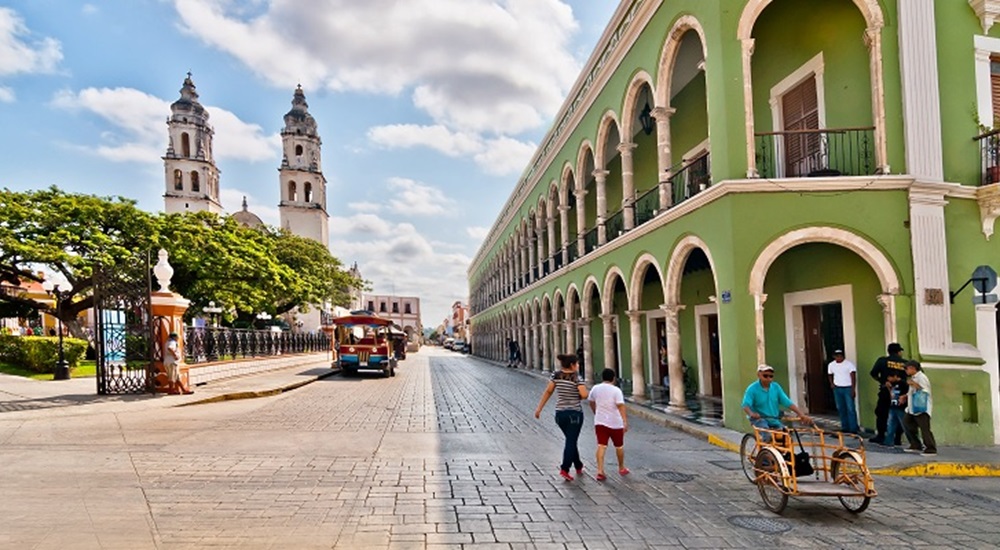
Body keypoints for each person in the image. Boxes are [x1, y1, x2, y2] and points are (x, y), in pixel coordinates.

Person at [534, 353, 589, 481]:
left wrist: (539, 408)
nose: (578, 365)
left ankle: (578, 465)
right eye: (577, 363)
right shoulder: (576, 377)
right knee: (571, 441)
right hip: (574, 414)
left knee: (571, 440)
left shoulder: (556, 375)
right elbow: (584, 394)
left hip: (560, 414)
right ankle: (565, 468)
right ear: (572, 365)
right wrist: (580, 394)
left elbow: (548, 391)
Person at [742, 364, 811, 440]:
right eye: (765, 376)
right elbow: (745, 405)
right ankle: (764, 451)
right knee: (767, 436)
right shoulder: (752, 389)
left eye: (771, 376)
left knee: (786, 437)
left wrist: (801, 414)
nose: (769, 379)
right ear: (759, 375)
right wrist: (752, 414)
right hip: (759, 419)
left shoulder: (776, 387)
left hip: (773, 418)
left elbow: (787, 402)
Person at [589, 368, 629, 481]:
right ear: (613, 378)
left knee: (601, 445)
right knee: (619, 446)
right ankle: (621, 467)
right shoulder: (616, 390)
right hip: (615, 422)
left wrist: (595, 412)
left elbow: (591, 402)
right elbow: (621, 406)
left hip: (600, 421)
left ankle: (600, 471)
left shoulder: (595, 388)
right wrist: (625, 421)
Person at [869, 342, 907, 444]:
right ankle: (897, 438)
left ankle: (881, 435)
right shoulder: (905, 363)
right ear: (899, 352)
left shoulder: (882, 361)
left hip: (886, 391)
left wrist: (883, 381)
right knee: (899, 415)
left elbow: (873, 373)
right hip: (901, 394)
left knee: (881, 413)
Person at [902, 360, 937, 456]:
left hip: (922, 407)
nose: (906, 370)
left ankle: (931, 448)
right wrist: (905, 396)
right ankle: (915, 444)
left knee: (924, 428)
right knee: (907, 423)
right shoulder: (914, 377)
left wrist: (913, 384)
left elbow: (925, 390)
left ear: (913, 368)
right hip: (913, 407)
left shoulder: (922, 377)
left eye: (907, 368)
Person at [827, 349, 858, 433]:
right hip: (837, 388)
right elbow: (830, 374)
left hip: (847, 387)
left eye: (840, 355)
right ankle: (845, 427)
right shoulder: (831, 365)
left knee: (850, 408)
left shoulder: (849, 364)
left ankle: (853, 428)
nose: (839, 357)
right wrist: (832, 383)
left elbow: (853, 376)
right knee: (841, 408)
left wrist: (853, 389)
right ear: (834, 357)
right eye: (837, 356)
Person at [882, 369, 910, 449]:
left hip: (901, 407)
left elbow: (908, 393)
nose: (889, 379)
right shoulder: (892, 384)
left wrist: (904, 398)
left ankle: (914, 442)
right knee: (890, 425)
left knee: (905, 425)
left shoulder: (903, 384)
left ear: (895, 376)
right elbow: (892, 394)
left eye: (890, 377)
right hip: (893, 406)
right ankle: (889, 442)